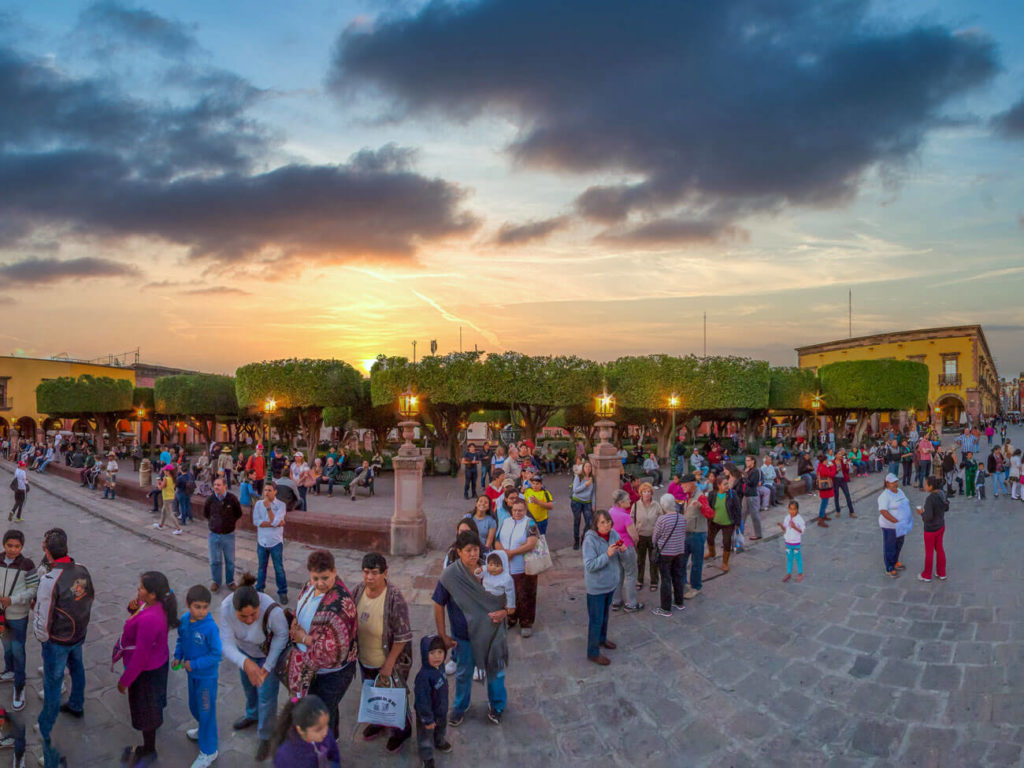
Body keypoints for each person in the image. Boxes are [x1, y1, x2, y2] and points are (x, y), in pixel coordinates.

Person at [433, 530, 508, 726]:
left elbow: (507, 595)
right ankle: (460, 707)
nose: (473, 554)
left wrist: (505, 612)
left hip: (491, 633)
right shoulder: (450, 575)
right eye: (468, 550)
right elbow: (438, 603)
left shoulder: (489, 570)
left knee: (496, 673)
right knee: (463, 674)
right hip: (463, 636)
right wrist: (443, 635)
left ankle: (497, 706)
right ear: (459, 552)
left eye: (476, 549)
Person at [33, 528, 94, 755]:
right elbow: (89, 598)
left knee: (52, 682)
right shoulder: (83, 569)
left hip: (58, 639)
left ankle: (46, 727)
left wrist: (43, 638)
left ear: (48, 553)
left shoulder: (50, 579)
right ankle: (77, 704)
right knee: (77, 668)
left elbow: (43, 614)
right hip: (78, 633)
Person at [287, 550, 358, 739]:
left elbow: (335, 650)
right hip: (308, 666)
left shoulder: (341, 603)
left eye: (325, 577)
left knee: (324, 711)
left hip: (332, 673)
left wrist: (303, 638)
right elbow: (300, 609)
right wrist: (295, 621)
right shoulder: (308, 588)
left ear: (334, 571)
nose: (320, 583)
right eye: (315, 578)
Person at [220, 573, 288, 762]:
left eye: (253, 615)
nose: (249, 620)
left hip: (267, 656)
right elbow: (225, 643)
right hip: (245, 654)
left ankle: (266, 736)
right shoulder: (226, 608)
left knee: (266, 696)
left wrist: (267, 666)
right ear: (235, 611)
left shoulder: (272, 610)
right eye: (243, 616)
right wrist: (245, 663)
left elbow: (282, 636)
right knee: (248, 687)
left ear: (260, 605)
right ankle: (252, 715)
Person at [351, 552, 413, 751]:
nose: (370, 577)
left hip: (387, 662)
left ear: (385, 573)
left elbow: (403, 636)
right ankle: (378, 722)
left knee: (395, 697)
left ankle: (402, 730)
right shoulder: (358, 591)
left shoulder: (394, 598)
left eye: (375, 573)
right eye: (366, 572)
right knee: (373, 694)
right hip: (364, 659)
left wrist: (389, 664)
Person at [116, 571, 178, 767]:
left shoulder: (151, 618)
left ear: (152, 594)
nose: (138, 589)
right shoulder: (154, 606)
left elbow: (141, 656)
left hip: (147, 672)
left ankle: (149, 749)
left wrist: (125, 680)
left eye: (141, 587)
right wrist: (131, 608)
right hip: (158, 662)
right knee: (154, 703)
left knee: (146, 710)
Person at [174, 585, 222, 768]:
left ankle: (209, 751)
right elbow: (181, 640)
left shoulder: (210, 628)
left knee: (206, 710)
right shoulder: (185, 620)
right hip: (191, 676)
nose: (201, 611)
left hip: (206, 678)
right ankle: (203, 730)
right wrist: (178, 656)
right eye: (197, 606)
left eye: (205, 607)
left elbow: (216, 654)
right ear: (188, 604)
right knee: (194, 706)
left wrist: (194, 664)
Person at [0, 530, 37, 712]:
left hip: (18, 615)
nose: (13, 550)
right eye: (9, 545)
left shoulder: (27, 565)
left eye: (17, 546)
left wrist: (12, 600)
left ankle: (19, 686)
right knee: (6, 646)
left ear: (22, 547)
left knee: (18, 650)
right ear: (3, 544)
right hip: (1, 615)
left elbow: (33, 590)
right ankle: (9, 670)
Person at [581, 510, 623, 665]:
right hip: (596, 587)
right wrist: (608, 554)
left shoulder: (613, 534)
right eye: (602, 523)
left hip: (610, 584)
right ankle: (592, 652)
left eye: (608, 521)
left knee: (605, 616)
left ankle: (602, 639)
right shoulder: (590, 540)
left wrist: (623, 550)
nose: (607, 525)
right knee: (596, 620)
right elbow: (590, 565)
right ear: (596, 525)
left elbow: (621, 555)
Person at [495, 498, 540, 637]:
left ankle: (526, 622)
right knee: (509, 594)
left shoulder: (530, 523)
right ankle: (511, 618)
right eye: (514, 510)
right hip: (506, 567)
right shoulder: (505, 522)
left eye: (520, 510)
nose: (517, 512)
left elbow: (531, 543)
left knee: (525, 595)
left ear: (525, 510)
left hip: (524, 567)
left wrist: (512, 553)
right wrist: (503, 553)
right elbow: (497, 540)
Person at [270, 695, 340, 768]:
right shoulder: (287, 755)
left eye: (326, 724)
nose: (325, 732)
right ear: (301, 730)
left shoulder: (325, 735)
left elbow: (333, 755)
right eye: (318, 729)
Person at [414, 636, 453, 767]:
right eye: (432, 653)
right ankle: (427, 756)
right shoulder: (423, 677)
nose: (437, 657)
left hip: (441, 709)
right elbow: (422, 701)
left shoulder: (440, 667)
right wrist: (427, 719)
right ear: (425, 655)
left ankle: (439, 741)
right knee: (426, 735)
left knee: (441, 727)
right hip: (427, 714)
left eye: (440, 652)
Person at [203, 476, 244, 594]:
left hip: (228, 535)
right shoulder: (210, 500)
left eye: (218, 485)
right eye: (215, 485)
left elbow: (238, 513)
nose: (216, 487)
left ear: (225, 486)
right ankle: (216, 581)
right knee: (215, 560)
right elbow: (206, 514)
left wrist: (229, 524)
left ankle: (230, 581)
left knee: (230, 560)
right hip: (214, 535)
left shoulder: (232, 499)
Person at [651, 488, 688, 617]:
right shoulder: (682, 518)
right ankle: (679, 602)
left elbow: (655, 537)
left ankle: (665, 608)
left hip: (666, 553)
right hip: (679, 552)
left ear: (663, 505)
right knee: (678, 576)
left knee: (666, 579)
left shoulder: (662, 520)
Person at [606, 489, 643, 613]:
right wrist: (635, 543)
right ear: (621, 502)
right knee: (631, 574)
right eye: (627, 499)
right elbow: (634, 536)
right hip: (626, 547)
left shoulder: (610, 512)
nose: (630, 500)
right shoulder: (626, 516)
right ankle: (631, 603)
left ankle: (616, 601)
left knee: (618, 574)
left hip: (614, 546)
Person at [254, 483, 289, 606]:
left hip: (275, 542)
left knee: (278, 568)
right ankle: (259, 589)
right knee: (261, 567)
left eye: (269, 490)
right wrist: (276, 523)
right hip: (262, 541)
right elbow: (256, 521)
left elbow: (275, 521)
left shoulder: (281, 505)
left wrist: (269, 509)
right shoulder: (258, 504)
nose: (266, 493)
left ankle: (283, 591)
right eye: (265, 490)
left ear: (275, 492)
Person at [878, 473, 911, 578]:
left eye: (896, 481)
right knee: (890, 546)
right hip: (889, 526)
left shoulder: (900, 491)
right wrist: (896, 521)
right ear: (887, 483)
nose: (896, 484)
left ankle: (895, 561)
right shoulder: (884, 496)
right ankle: (889, 567)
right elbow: (883, 511)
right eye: (893, 482)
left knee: (899, 544)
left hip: (901, 524)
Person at [632, 483, 663, 593]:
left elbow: (661, 519)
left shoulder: (656, 505)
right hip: (640, 536)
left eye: (649, 491)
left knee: (653, 560)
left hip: (653, 537)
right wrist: (634, 534)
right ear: (641, 493)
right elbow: (631, 519)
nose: (646, 494)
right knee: (640, 560)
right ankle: (639, 580)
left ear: (651, 493)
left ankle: (654, 581)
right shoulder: (636, 505)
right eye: (644, 491)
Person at [916, 476, 948, 583]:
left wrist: (922, 513)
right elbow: (946, 507)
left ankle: (927, 574)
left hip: (930, 529)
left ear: (930, 486)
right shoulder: (942, 493)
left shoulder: (930, 499)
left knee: (929, 552)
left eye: (926, 484)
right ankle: (941, 572)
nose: (924, 486)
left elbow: (927, 517)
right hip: (941, 526)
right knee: (939, 548)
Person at [681, 486, 710, 599]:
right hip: (686, 533)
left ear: (690, 484)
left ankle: (696, 587)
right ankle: (682, 583)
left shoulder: (701, 497)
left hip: (697, 534)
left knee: (696, 563)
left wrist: (701, 506)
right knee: (681, 560)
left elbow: (710, 514)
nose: (682, 487)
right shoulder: (687, 496)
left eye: (684, 484)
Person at [707, 474, 741, 572]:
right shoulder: (712, 494)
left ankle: (725, 562)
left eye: (728, 484)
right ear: (718, 485)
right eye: (725, 484)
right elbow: (709, 507)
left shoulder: (732, 494)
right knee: (709, 538)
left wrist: (737, 523)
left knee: (726, 542)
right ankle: (711, 553)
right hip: (714, 522)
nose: (727, 486)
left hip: (728, 523)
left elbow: (738, 509)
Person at [777, 500, 806, 583]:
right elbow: (785, 529)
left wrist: (795, 527)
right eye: (790, 509)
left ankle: (800, 573)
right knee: (789, 558)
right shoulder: (787, 517)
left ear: (797, 510)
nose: (792, 511)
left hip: (796, 542)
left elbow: (802, 531)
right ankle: (788, 573)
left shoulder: (800, 519)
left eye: (794, 509)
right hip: (788, 542)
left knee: (798, 558)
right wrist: (781, 526)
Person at [570, 461, 595, 550]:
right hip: (577, 501)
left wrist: (593, 504)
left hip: (587, 502)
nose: (588, 468)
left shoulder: (592, 478)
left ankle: (583, 538)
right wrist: (585, 484)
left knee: (589, 522)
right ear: (583, 468)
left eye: (589, 467)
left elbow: (593, 493)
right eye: (586, 466)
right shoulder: (579, 477)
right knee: (577, 521)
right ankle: (576, 541)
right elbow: (575, 490)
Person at [741, 455, 763, 539]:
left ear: (753, 461)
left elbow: (752, 483)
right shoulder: (748, 470)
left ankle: (758, 534)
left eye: (748, 460)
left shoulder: (756, 471)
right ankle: (740, 533)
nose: (747, 462)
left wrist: (745, 476)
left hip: (752, 495)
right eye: (746, 460)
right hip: (746, 495)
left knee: (754, 515)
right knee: (742, 515)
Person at [815, 453, 838, 527]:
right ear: (824, 460)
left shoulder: (820, 466)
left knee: (824, 502)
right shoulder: (823, 468)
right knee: (824, 503)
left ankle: (823, 515)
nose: (827, 461)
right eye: (826, 460)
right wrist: (834, 467)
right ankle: (820, 518)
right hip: (825, 487)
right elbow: (831, 474)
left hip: (823, 487)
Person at [176, 463, 195, 529]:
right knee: (188, 505)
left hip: (181, 492)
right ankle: (190, 517)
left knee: (182, 506)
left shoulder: (180, 478)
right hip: (188, 492)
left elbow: (177, 485)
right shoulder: (190, 475)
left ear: (181, 470)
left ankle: (183, 521)